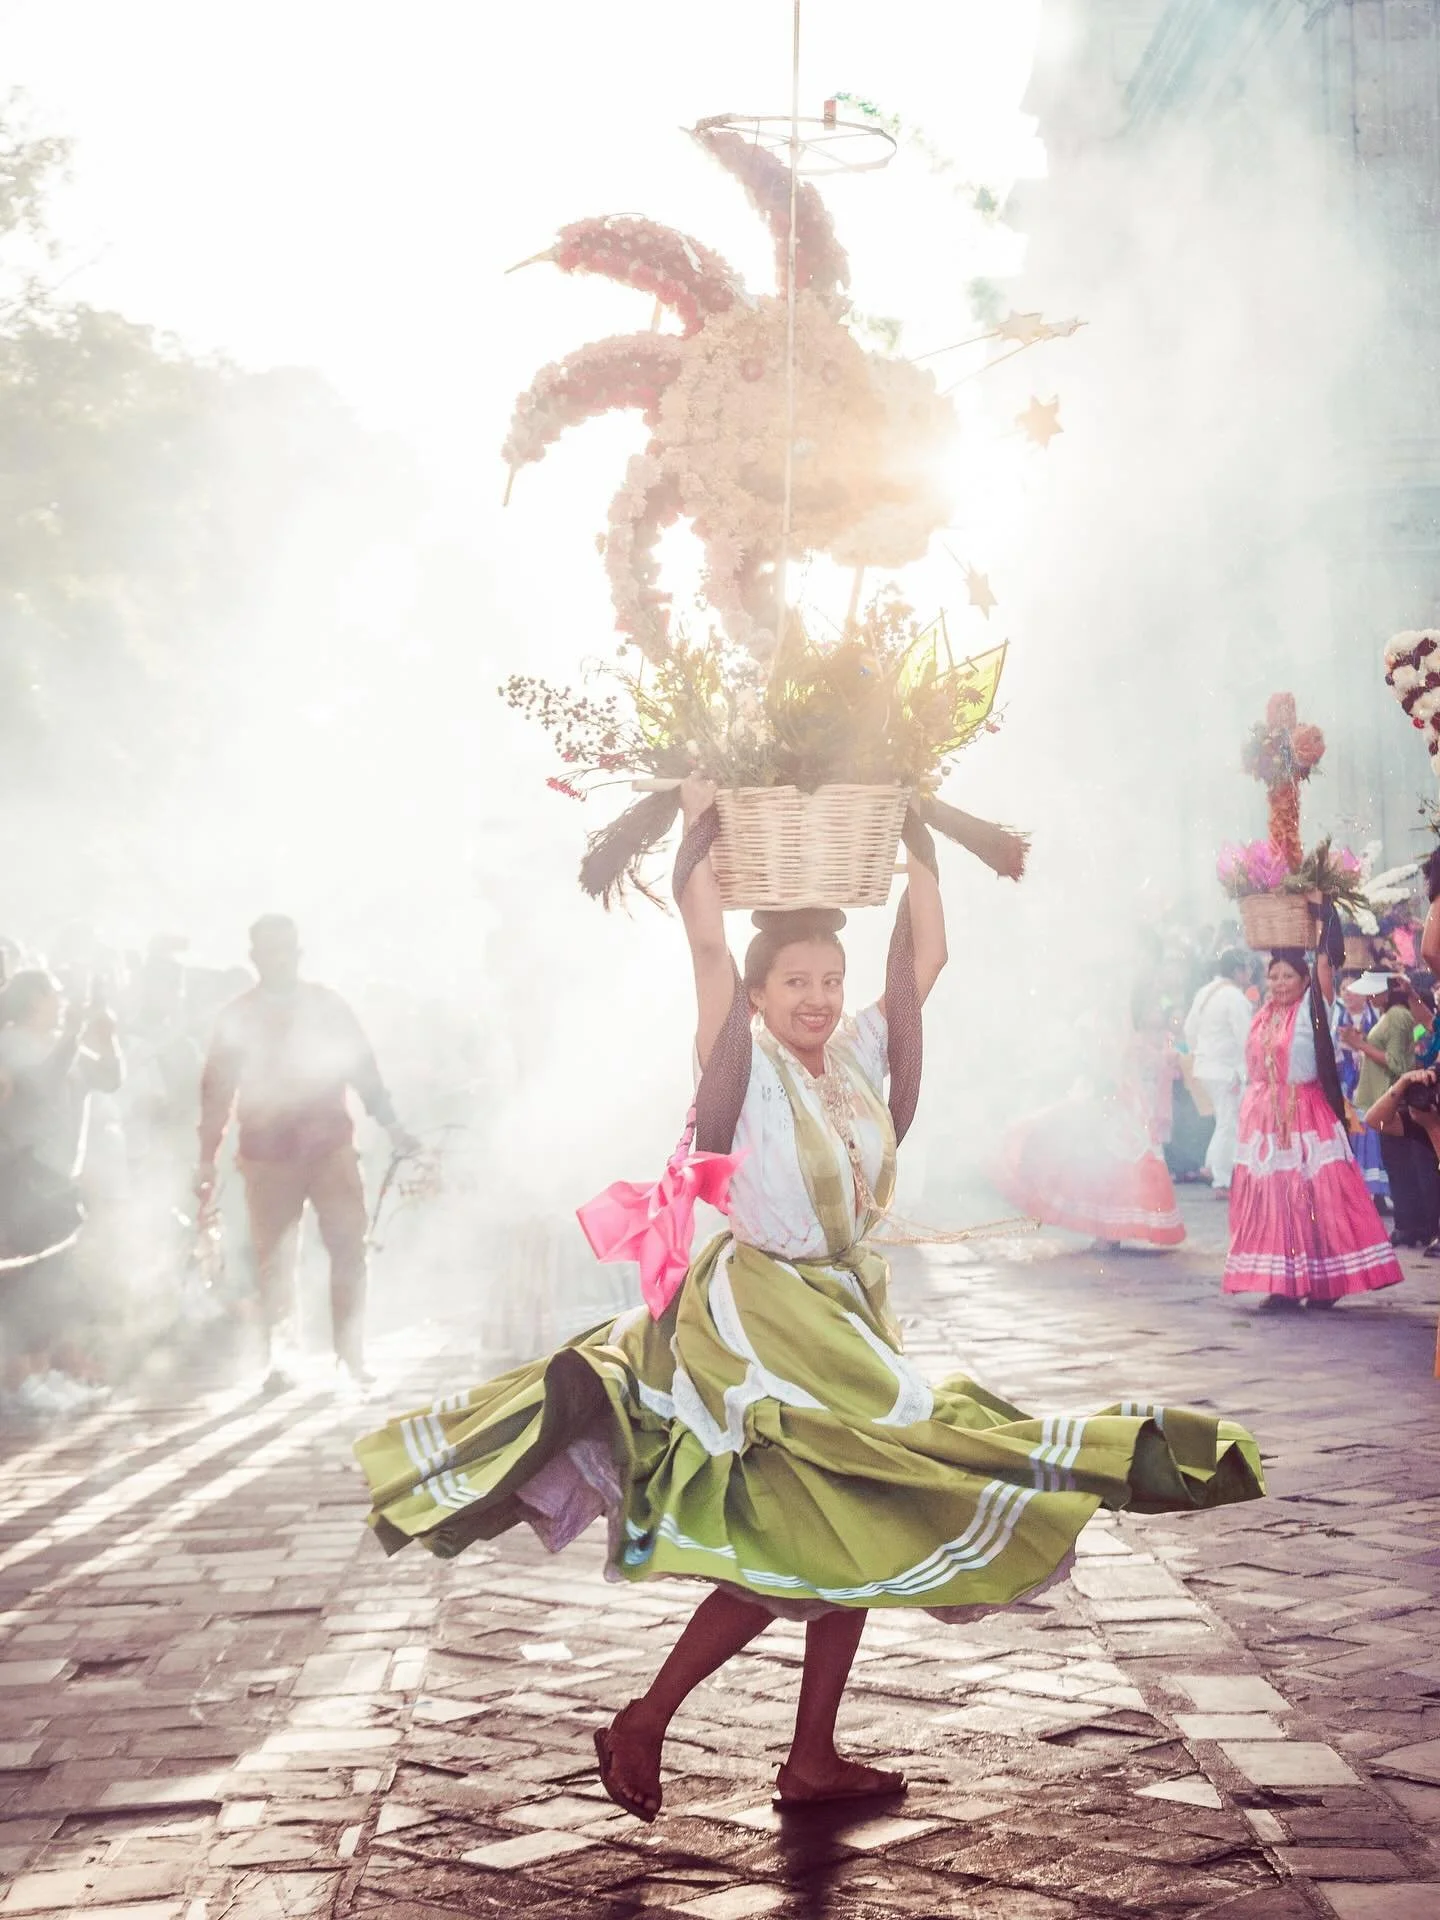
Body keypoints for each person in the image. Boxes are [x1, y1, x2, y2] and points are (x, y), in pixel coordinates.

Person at [354, 775, 1263, 1823]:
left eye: (830, 978)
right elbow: (707, 949)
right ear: (758, 993)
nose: (819, 997)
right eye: (796, 981)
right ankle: (649, 1719)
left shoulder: (858, 1054)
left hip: (845, 1312)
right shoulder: (738, 1061)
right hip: (767, 1320)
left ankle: (809, 1755)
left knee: (853, 1509)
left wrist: (916, 832)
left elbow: (926, 957)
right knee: (810, 1523)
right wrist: (699, 828)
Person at [196, 916, 417, 1390]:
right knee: (275, 1258)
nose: (278, 959)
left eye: (285, 950)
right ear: (254, 958)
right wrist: (206, 1157)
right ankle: (281, 1357)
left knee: (349, 1247)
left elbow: (362, 1068)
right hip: (266, 1154)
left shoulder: (326, 1005)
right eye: (269, 951)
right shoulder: (239, 1015)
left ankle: (351, 1354)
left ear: (298, 954)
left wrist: (392, 1124)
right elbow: (216, 1090)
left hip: (329, 1146)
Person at [1223, 950, 1402, 1308]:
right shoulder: (1263, 1015)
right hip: (1267, 1121)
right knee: (1277, 1200)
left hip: (1306, 1114)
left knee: (1317, 1198)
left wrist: (1322, 933)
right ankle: (1283, 1284)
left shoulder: (1313, 1009)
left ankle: (1327, 1282)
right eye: (1274, 976)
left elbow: (1325, 964)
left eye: (1288, 976)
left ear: (1306, 981)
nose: (1279, 983)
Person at [0, 969, 122, 1404]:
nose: (63, 1000)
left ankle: (44, 1372)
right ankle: (23, 1379)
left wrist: (105, 1037)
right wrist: (71, 1035)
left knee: (55, 1278)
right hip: (24, 1172)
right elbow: (40, 1085)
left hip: (57, 1176)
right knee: (32, 1278)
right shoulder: (10, 1043)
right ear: (33, 1000)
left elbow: (109, 1079)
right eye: (54, 993)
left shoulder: (61, 1043)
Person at [992, 989, 1186, 1250]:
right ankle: (1107, 1233)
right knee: (1104, 1163)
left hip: (1124, 1101)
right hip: (1105, 1098)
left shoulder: (1122, 1027)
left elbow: (1127, 1063)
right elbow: (1093, 1063)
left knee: (1120, 1164)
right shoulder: (1092, 1023)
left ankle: (1111, 1233)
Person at [1340, 973, 1431, 1247]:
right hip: (1385, 1097)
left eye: (1374, 991)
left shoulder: (1397, 1016)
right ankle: (1408, 1224)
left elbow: (1397, 1064)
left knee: (1401, 1165)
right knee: (1397, 1164)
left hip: (1394, 1099)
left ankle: (1411, 1225)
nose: (1370, 996)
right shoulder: (1389, 1015)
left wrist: (1361, 1045)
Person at [1184, 950, 1254, 1199]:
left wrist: (1201, 1053)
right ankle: (1222, 1179)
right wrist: (1247, 1070)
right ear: (1237, 971)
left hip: (1206, 1066)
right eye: (1247, 968)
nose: (1250, 973)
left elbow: (1189, 1029)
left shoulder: (1205, 992)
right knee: (1229, 1122)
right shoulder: (1234, 997)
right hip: (1226, 1070)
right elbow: (1246, 1038)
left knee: (1224, 1120)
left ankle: (1212, 1166)